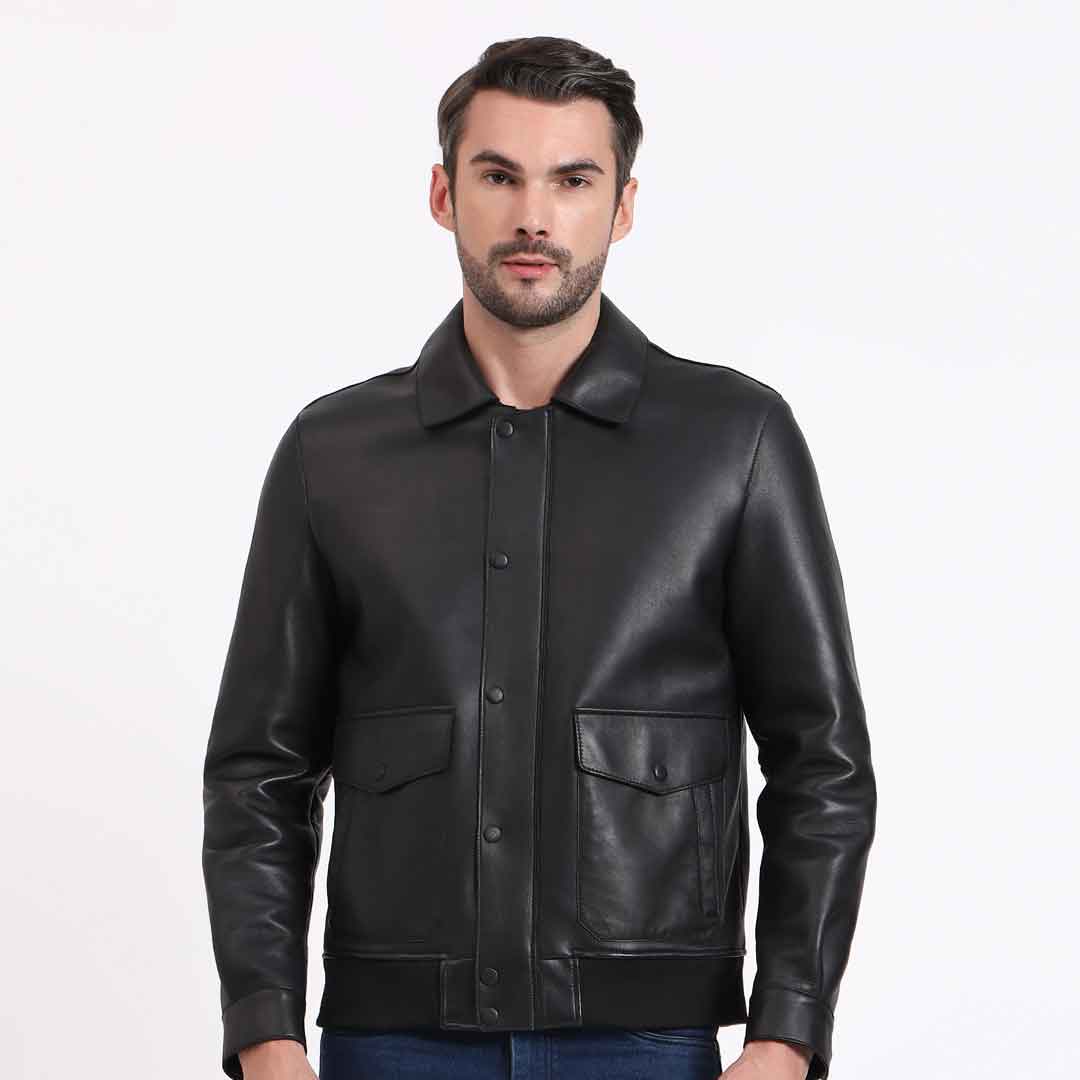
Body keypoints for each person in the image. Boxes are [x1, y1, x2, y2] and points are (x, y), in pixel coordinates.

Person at [202, 34, 877, 1080]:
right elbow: (259, 769)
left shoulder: (733, 442)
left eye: (572, 180)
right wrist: (265, 1034)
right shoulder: (333, 452)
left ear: (623, 207)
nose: (533, 217)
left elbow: (821, 761)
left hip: (646, 1041)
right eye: (498, 176)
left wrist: (787, 1035)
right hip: (391, 1041)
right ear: (443, 195)